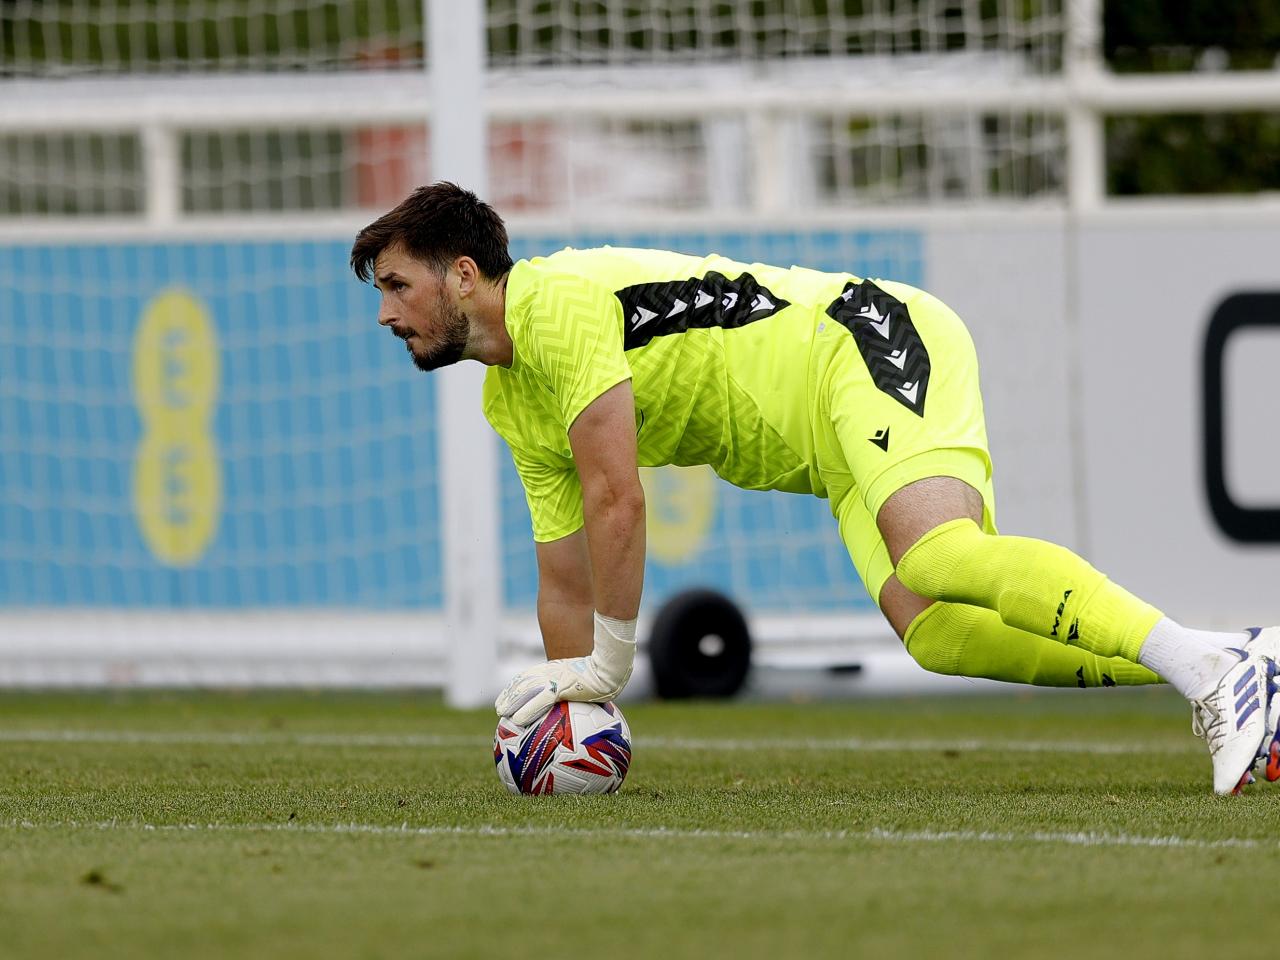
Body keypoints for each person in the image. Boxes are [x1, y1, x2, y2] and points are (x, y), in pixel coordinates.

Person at [351, 181, 1278, 796]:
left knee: (941, 555)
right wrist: (574, 713)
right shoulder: (510, 401)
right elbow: (566, 580)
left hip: (860, 341)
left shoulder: (553, 306)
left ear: (463, 275)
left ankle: (1212, 674)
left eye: (396, 285)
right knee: (941, 632)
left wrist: (610, 666)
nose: (387, 313)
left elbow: (618, 502)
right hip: (829, 438)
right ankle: (1241, 656)